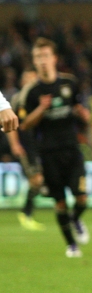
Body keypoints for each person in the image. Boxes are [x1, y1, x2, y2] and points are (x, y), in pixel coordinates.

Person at [22, 38, 92, 258]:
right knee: (60, 202)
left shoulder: (69, 83)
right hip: (49, 154)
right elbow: (24, 125)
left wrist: (84, 115)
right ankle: (71, 245)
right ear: (34, 61)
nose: (42, 61)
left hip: (72, 150)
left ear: (54, 58)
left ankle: (76, 218)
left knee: (82, 198)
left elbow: (83, 114)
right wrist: (41, 109)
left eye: (45, 56)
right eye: (37, 57)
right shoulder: (32, 92)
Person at [6, 69, 45, 231]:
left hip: (41, 145)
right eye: (27, 79)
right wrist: (15, 144)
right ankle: (26, 214)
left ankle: (27, 213)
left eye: (33, 79)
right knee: (36, 179)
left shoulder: (40, 98)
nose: (31, 82)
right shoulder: (16, 99)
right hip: (26, 146)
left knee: (40, 180)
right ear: (22, 82)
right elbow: (9, 123)